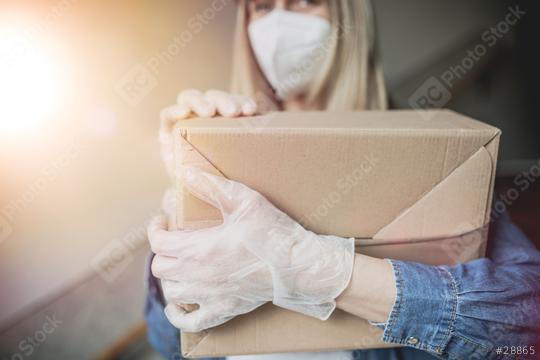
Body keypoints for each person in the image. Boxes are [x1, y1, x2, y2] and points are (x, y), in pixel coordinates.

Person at [145, 1, 540, 359]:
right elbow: (169, 345)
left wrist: (315, 270)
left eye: (306, 2)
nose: (280, 23)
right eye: (263, 7)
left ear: (348, 19)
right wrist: (187, 203)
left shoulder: (426, 151)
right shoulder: (216, 147)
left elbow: (524, 327)